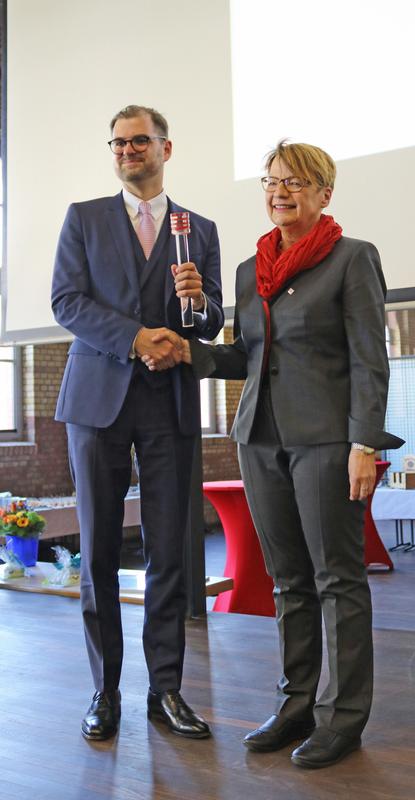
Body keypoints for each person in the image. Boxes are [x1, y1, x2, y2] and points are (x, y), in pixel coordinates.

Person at [147, 140, 403, 768]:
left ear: (324, 193)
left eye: (294, 181)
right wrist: (190, 351)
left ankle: (341, 718)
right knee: (288, 580)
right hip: (259, 440)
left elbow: (371, 360)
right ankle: (296, 704)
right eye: (270, 181)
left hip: (326, 442)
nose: (278, 191)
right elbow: (247, 357)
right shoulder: (249, 269)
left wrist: (363, 443)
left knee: (337, 580)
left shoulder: (351, 259)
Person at [51, 105, 223, 742]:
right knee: (96, 550)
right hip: (96, 401)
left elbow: (209, 323)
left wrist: (196, 301)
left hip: (169, 403)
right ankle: (105, 690)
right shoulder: (84, 218)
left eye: (139, 141)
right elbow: (66, 300)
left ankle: (167, 690)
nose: (127, 151)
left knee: (170, 552)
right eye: (118, 143)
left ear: (165, 149)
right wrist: (135, 337)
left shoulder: (196, 229)